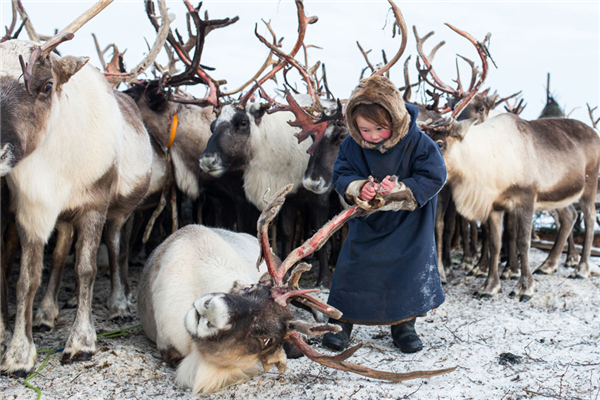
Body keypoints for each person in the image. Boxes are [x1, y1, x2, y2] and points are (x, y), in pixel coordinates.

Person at [322, 75, 447, 354]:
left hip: (409, 224)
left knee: (405, 272)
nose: (373, 136)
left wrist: (400, 190)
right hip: (368, 223)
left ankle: (403, 325)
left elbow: (435, 175)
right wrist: (359, 188)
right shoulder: (352, 145)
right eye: (365, 130)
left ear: (395, 119)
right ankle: (340, 323)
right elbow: (342, 173)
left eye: (380, 128)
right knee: (352, 268)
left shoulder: (418, 142)